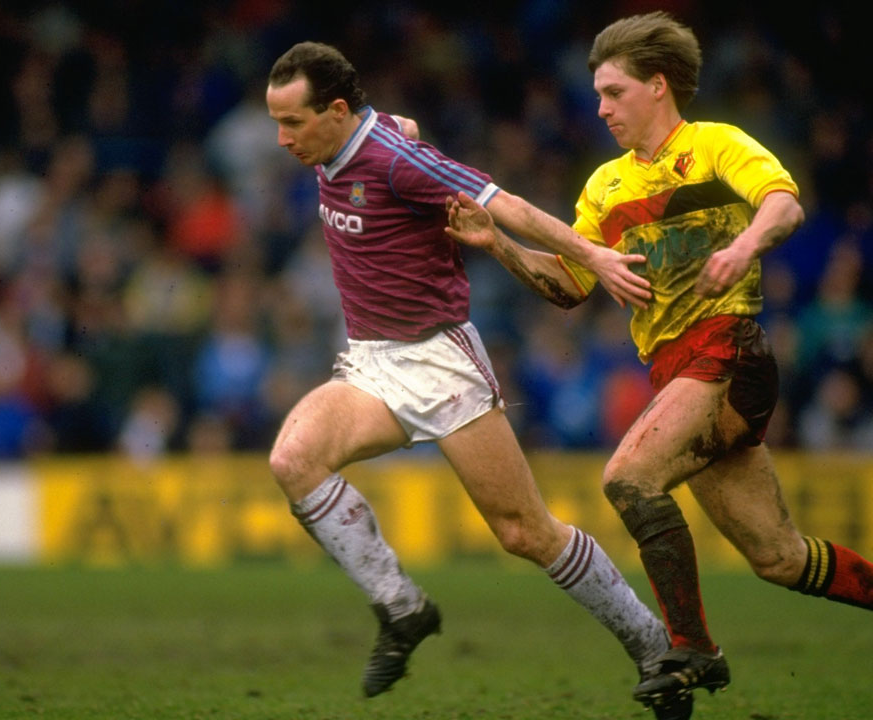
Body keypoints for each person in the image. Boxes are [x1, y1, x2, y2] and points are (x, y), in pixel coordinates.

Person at [444, 10, 873, 713]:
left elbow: (784, 204)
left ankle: (693, 648)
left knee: (630, 477)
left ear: (658, 85)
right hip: (676, 373)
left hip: (728, 349)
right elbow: (571, 285)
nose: (603, 107)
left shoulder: (715, 146)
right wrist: (498, 244)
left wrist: (743, 247)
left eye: (614, 92)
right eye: (599, 94)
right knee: (778, 558)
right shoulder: (604, 189)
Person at [264, 41, 693, 718]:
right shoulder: (345, 142)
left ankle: (653, 645)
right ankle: (403, 609)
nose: (282, 138)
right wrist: (395, 122)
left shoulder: (398, 160)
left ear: (336, 110)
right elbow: (386, 124)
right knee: (293, 459)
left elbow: (510, 206)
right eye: (276, 122)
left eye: (291, 122)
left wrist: (593, 256)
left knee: (524, 532)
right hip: (372, 360)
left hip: (440, 362)